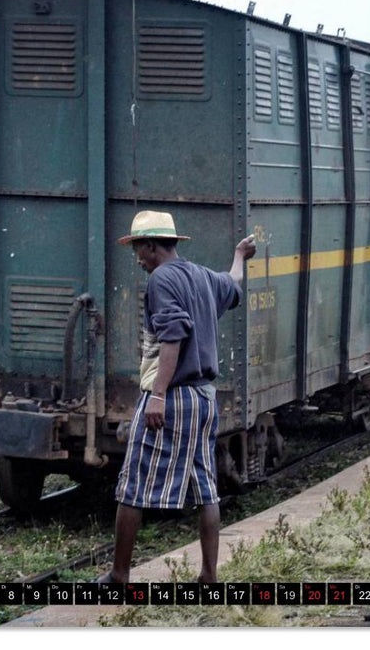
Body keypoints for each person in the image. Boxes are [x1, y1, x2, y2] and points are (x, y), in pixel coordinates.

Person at [98, 210, 256, 585]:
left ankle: (120, 575)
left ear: (152, 246)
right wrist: (238, 256)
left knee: (133, 482)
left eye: (138, 248)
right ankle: (208, 576)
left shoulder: (161, 280)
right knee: (205, 487)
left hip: (174, 397)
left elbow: (174, 337)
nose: (137, 257)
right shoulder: (202, 276)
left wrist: (157, 395)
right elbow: (233, 282)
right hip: (204, 399)